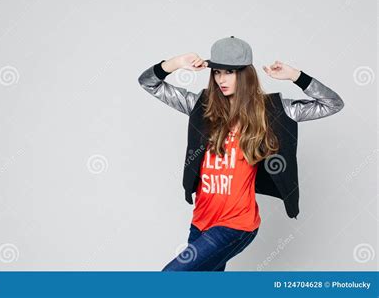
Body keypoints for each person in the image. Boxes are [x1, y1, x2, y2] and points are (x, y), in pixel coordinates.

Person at [137, 36, 344, 271]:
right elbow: (148, 83)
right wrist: (175, 63)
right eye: (216, 72)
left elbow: (332, 103)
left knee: (171, 276)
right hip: (201, 222)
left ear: (245, 74)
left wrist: (295, 75)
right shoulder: (201, 108)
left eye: (229, 72)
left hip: (236, 224)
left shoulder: (271, 112)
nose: (221, 79)